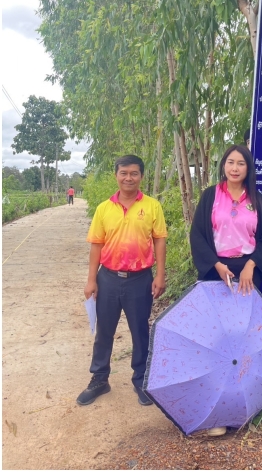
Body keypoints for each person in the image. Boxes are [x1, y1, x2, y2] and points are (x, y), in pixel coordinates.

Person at [78, 155, 167, 407]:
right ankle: (100, 379)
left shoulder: (152, 206)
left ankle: (141, 380)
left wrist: (160, 275)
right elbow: (96, 245)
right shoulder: (104, 209)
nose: (129, 178)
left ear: (141, 176)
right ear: (116, 175)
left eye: (134, 173)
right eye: (124, 173)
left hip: (140, 280)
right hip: (107, 279)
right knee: (104, 330)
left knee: (140, 331)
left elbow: (159, 239)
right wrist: (91, 280)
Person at [190, 144, 262, 295]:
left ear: (248, 168)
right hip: (215, 269)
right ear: (223, 165)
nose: (235, 168)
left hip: (247, 273)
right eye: (230, 162)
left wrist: (250, 266)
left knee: (244, 316)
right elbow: (197, 235)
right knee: (215, 317)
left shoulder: (257, 199)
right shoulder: (210, 195)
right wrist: (216, 265)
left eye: (241, 164)